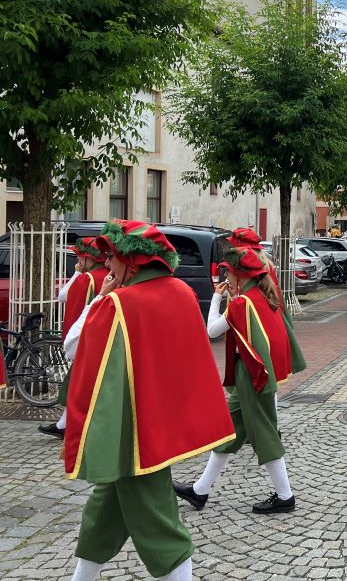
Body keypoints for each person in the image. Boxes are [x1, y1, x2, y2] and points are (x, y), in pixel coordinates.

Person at [64, 220, 235, 581]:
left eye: (112, 257)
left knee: (161, 531)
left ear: (132, 260)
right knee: (102, 517)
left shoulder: (117, 303)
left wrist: (99, 297)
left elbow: (73, 348)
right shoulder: (182, 291)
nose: (106, 265)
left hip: (129, 431)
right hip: (160, 421)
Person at [175, 247, 306, 515]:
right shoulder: (263, 297)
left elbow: (211, 330)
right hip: (257, 373)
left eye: (229, 272)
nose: (226, 276)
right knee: (229, 433)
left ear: (239, 277)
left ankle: (285, 496)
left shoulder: (242, 304)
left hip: (252, 376)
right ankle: (200, 490)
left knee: (265, 435)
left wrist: (216, 298)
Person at [40, 237, 111, 440]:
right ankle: (64, 424)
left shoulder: (87, 278)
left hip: (83, 335)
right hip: (101, 335)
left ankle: (70, 426)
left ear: (89, 258)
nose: (78, 258)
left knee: (78, 383)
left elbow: (63, 296)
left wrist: (77, 272)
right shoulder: (109, 276)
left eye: (81, 255)